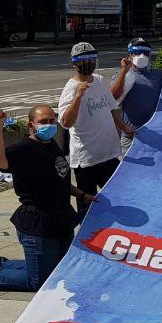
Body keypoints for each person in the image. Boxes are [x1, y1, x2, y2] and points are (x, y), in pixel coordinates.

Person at [0, 105, 89, 291]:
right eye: (43, 122)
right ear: (31, 125)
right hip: (38, 224)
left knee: (58, 269)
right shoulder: (23, 149)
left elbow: (61, 178)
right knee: (39, 281)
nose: (49, 125)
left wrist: (81, 194)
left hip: (62, 219)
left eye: (51, 121)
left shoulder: (51, 144)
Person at [59, 41, 134, 211]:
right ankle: (89, 236)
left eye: (92, 58)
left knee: (119, 197)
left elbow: (112, 107)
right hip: (87, 160)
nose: (88, 63)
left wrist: (124, 128)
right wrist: (78, 96)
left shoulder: (99, 80)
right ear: (74, 64)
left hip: (109, 154)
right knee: (89, 206)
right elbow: (65, 123)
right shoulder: (70, 89)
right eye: (83, 59)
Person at [110, 38, 162, 150]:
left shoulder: (158, 75)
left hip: (156, 135)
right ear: (130, 54)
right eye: (137, 51)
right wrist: (124, 71)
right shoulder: (123, 75)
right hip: (132, 136)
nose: (141, 55)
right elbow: (111, 99)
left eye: (145, 52)